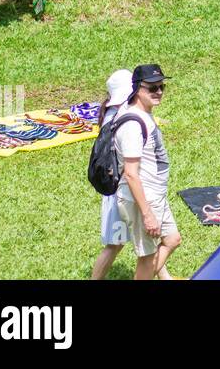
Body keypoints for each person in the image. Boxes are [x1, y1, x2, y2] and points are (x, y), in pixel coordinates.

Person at [115, 63, 180, 279]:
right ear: (137, 88)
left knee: (172, 240)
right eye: (152, 88)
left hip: (155, 195)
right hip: (143, 200)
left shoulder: (144, 114)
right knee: (147, 257)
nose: (159, 92)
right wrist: (147, 214)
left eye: (162, 87)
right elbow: (131, 173)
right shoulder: (133, 125)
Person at [90, 68, 132, 281]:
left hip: (123, 187)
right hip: (121, 189)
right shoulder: (117, 118)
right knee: (115, 244)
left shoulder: (110, 114)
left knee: (151, 237)